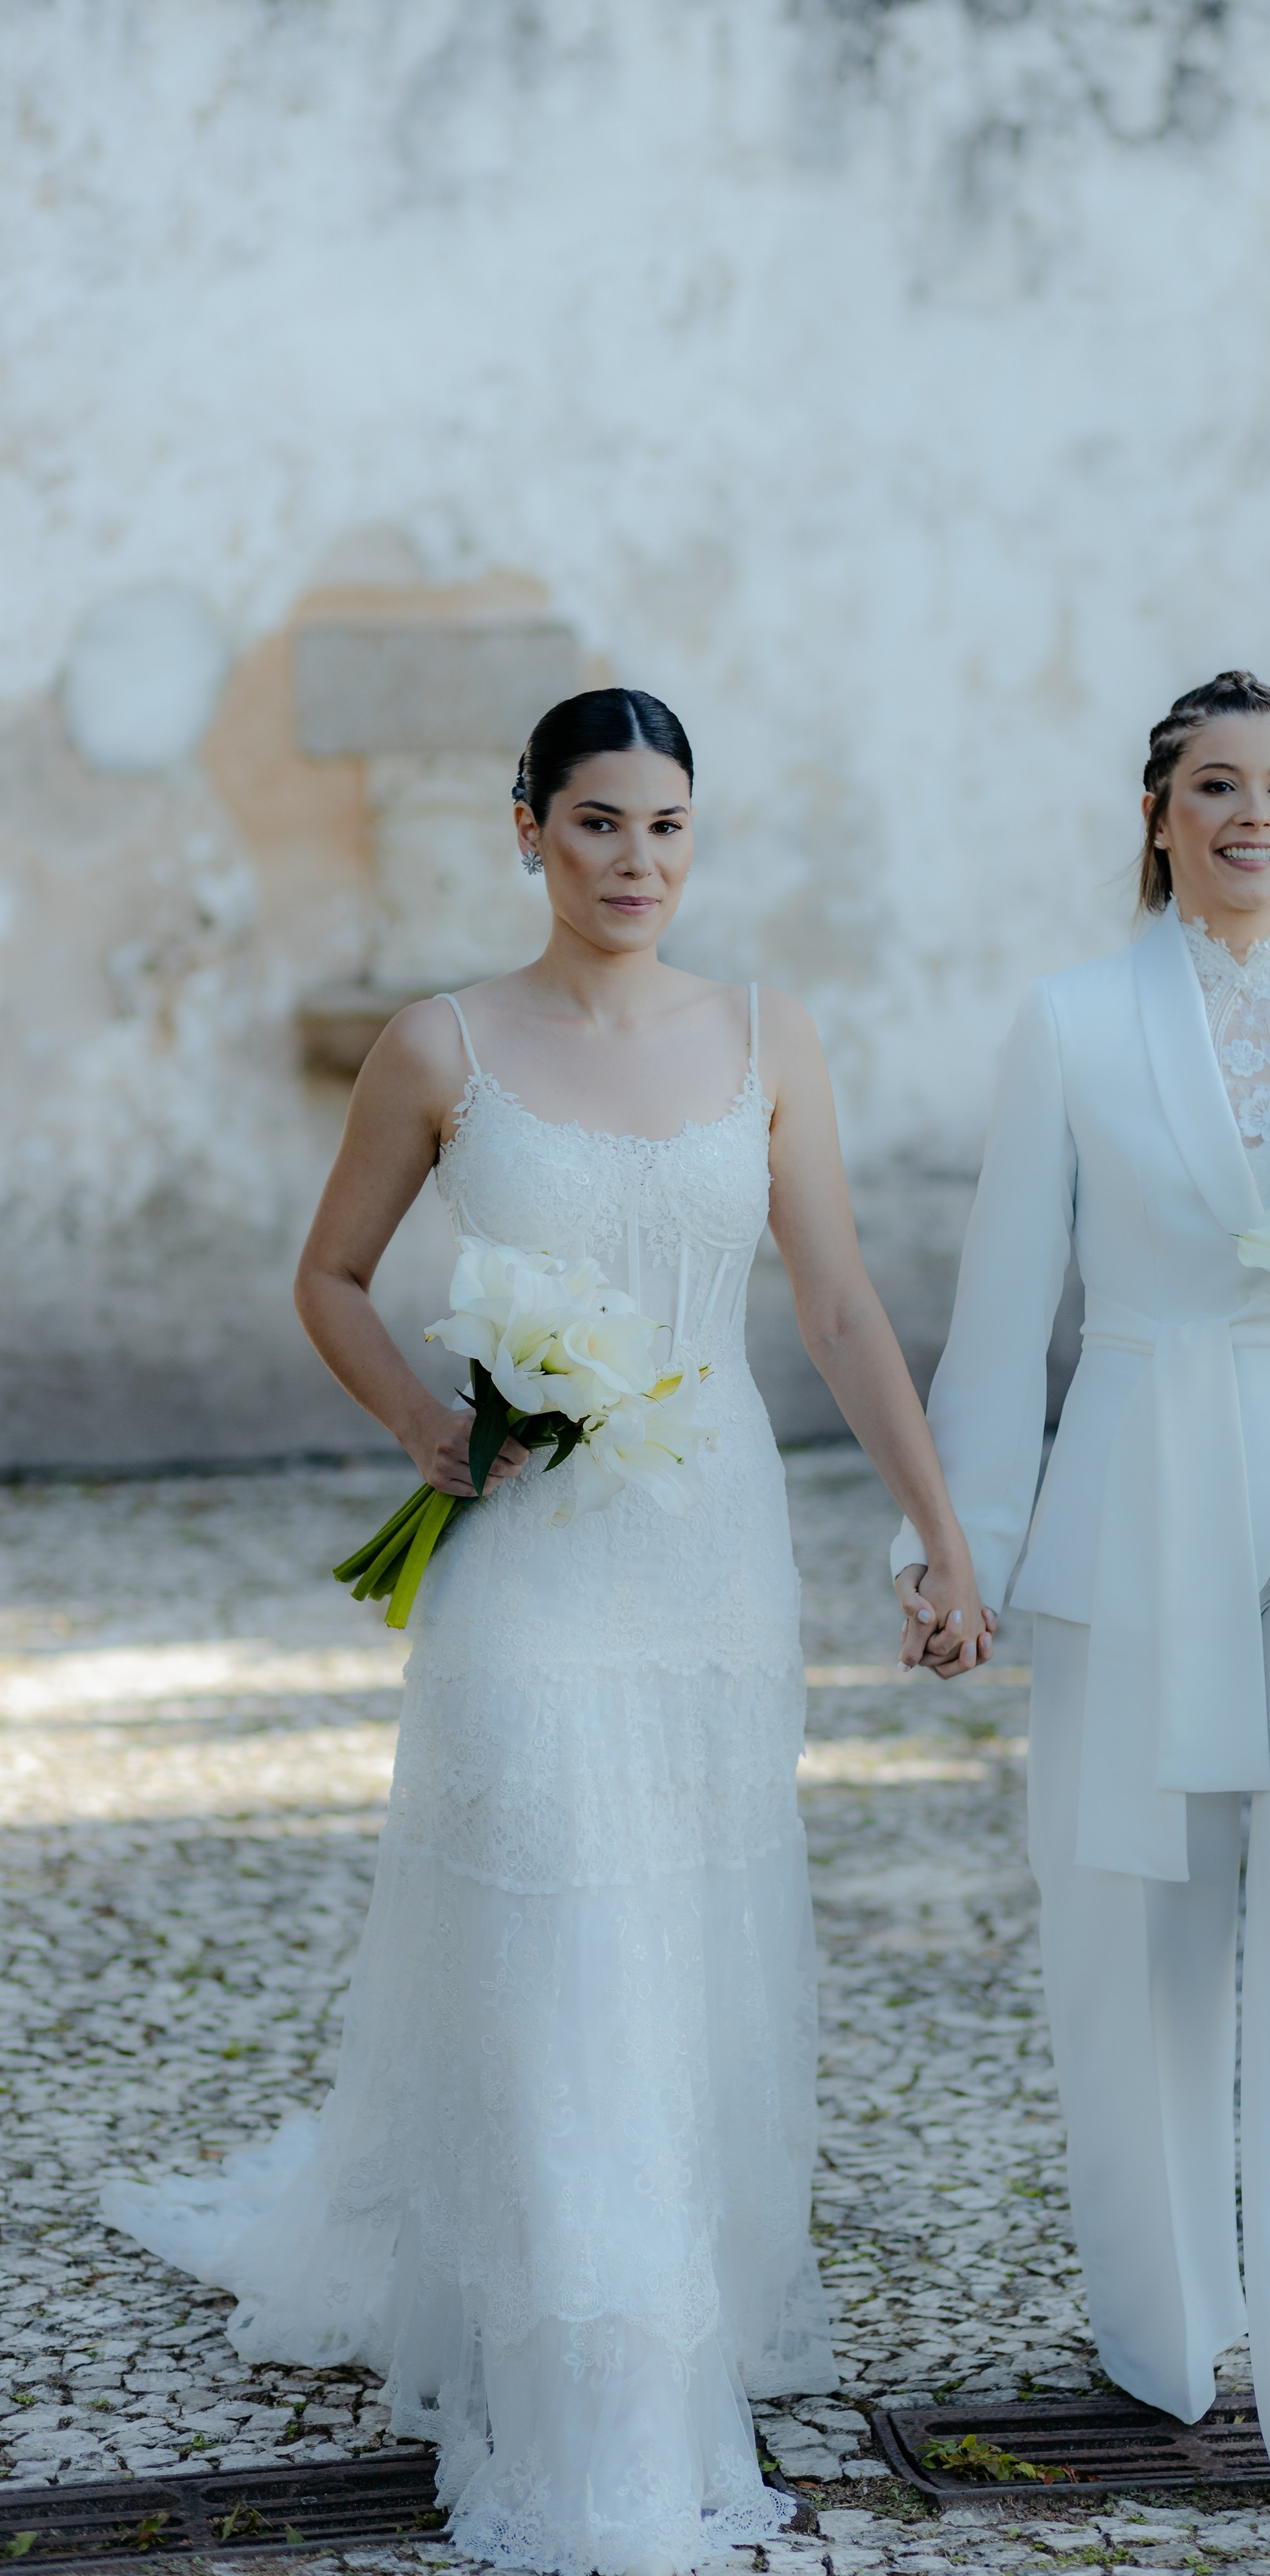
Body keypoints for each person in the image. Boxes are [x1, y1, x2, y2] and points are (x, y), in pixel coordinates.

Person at [102, 687, 986, 2576]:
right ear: (528, 831)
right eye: (597, 824)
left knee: (676, 1936)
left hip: (711, 1558)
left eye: (667, 828)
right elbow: (330, 1280)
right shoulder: (441, 1047)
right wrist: (427, 1429)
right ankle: (595, 2398)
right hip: (530, 1566)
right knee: (559, 1941)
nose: (636, 863)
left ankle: (663, 2305)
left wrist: (939, 1536)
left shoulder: (768, 1038)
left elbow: (834, 1307)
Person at [892, 671, 1270, 2524]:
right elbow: (1005, 1325)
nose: (1259, 817)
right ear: (1158, 810)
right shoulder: (1075, 1025)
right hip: (1138, 1511)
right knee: (1138, 1949)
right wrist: (959, 1555)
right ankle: (1164, 2322)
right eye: (1220, 786)